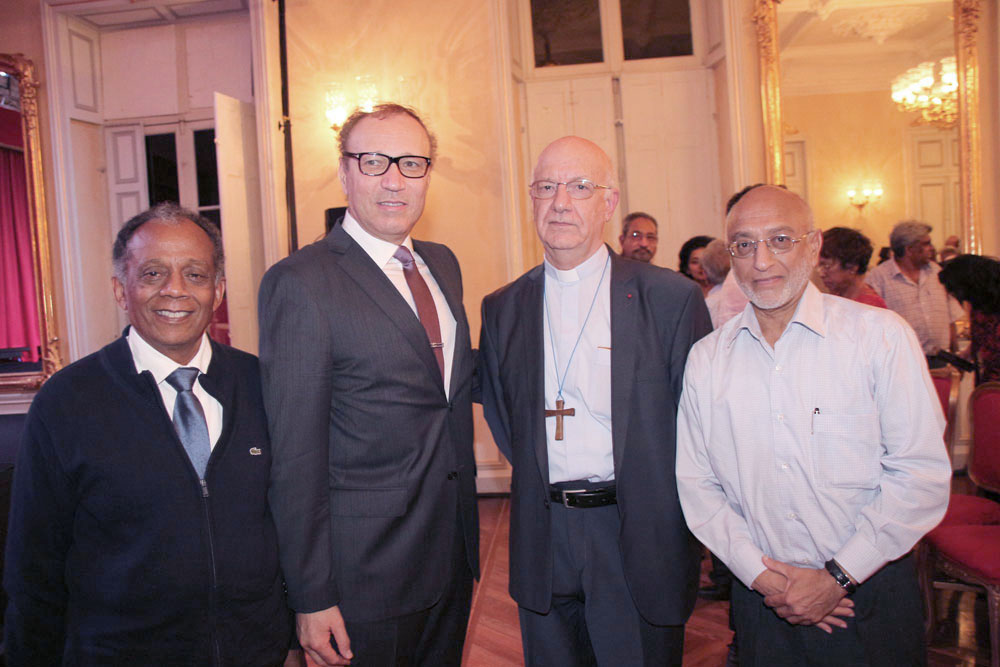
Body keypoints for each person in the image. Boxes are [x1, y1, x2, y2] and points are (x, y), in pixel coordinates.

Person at [4, 203, 292, 664]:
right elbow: (32, 568)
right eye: (153, 273)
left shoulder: (263, 386)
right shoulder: (67, 402)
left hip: (256, 652)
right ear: (121, 289)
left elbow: (295, 526)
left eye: (195, 275)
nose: (175, 291)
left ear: (218, 290)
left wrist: (292, 641)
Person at [676, 185, 952, 666]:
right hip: (762, 600)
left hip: (867, 597)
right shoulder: (707, 360)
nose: (761, 260)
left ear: (814, 244)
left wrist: (836, 579)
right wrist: (766, 579)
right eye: (744, 244)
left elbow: (918, 475)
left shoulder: (880, 339)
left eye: (780, 239)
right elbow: (698, 486)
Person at [258, 103, 479, 667]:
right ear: (345, 171)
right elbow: (295, 453)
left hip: (450, 554)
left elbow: (445, 389)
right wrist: (310, 594)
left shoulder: (443, 263)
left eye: (411, 163)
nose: (393, 179)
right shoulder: (302, 282)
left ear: (428, 174)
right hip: (364, 575)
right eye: (374, 160)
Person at [479, 136, 711, 666]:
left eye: (580, 187)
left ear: (609, 203)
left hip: (635, 532)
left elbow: (699, 427)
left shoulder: (671, 300)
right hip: (544, 532)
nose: (560, 201)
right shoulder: (503, 307)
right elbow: (500, 409)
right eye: (546, 187)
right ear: (531, 199)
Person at [866, 220, 961, 366]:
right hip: (902, 362)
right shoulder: (879, 277)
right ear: (909, 250)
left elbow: (950, 317)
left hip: (941, 360)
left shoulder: (937, 272)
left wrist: (955, 357)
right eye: (926, 244)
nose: (931, 248)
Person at [939, 254, 1000, 384]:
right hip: (989, 380)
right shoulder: (978, 304)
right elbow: (983, 337)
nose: (954, 295)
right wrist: (968, 353)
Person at [817, 227, 886, 308]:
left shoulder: (869, 307)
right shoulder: (839, 295)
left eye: (827, 266)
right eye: (819, 266)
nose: (821, 274)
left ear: (852, 267)